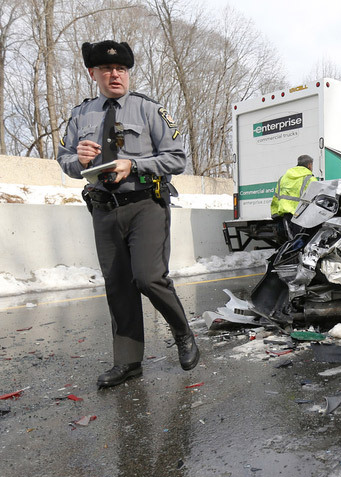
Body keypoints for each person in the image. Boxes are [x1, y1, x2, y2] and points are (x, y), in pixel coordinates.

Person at [56, 40, 199, 388]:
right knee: (118, 285)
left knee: (147, 277)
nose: (114, 74)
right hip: (103, 209)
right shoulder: (80, 114)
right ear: (94, 73)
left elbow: (177, 158)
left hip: (145, 205)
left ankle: (183, 333)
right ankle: (128, 362)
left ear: (128, 73)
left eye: (121, 69)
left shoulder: (149, 109)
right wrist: (81, 161)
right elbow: (65, 161)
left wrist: (133, 164)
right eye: (106, 69)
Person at [270, 154, 317, 239]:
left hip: (286, 215)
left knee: (291, 240)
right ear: (309, 165)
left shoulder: (283, 178)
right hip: (301, 215)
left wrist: (274, 214)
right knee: (302, 240)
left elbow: (276, 197)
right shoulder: (310, 179)